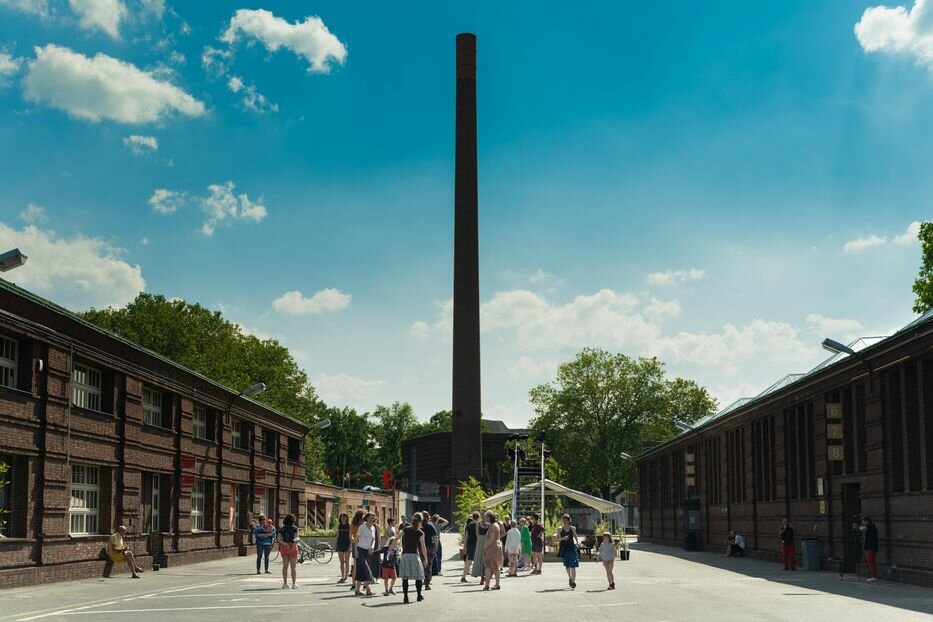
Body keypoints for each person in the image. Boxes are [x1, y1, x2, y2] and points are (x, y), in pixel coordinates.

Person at [399, 514, 430, 603]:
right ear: (420, 521)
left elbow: (396, 538)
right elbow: (423, 547)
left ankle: (405, 597)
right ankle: (419, 595)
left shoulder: (405, 529)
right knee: (418, 576)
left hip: (405, 555)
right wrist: (425, 559)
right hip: (414, 555)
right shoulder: (420, 532)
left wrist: (390, 548)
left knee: (405, 577)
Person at [354, 512, 376, 596]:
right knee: (365, 569)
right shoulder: (362, 527)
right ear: (366, 518)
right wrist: (356, 551)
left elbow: (373, 540)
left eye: (373, 518)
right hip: (360, 549)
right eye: (370, 517)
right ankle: (368, 590)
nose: (372, 519)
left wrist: (371, 548)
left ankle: (357, 590)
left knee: (361, 570)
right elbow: (356, 540)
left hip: (368, 551)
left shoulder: (373, 528)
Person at [482, 511, 503, 591]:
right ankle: (497, 584)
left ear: (490, 517)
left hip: (492, 548)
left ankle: (487, 585)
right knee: (496, 566)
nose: (485, 518)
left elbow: (491, 538)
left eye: (486, 517)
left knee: (488, 566)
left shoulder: (492, 526)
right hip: (497, 547)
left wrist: (485, 546)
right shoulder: (496, 525)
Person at [558, 513, 580, 589]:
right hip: (564, 549)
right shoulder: (560, 529)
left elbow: (575, 535)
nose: (564, 521)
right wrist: (563, 538)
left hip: (572, 548)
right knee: (567, 565)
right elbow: (557, 539)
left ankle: (573, 581)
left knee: (573, 564)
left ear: (569, 520)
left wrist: (577, 542)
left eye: (566, 520)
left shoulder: (573, 528)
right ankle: (570, 577)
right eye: (563, 520)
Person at [279, 513, 300, 589]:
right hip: (293, 547)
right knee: (293, 567)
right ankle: (294, 584)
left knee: (285, 566)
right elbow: (297, 539)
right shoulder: (295, 528)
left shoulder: (282, 529)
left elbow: (279, 540)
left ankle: (285, 583)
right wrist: (293, 547)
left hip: (284, 547)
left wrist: (285, 544)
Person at [421, 511, 439, 589]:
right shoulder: (430, 526)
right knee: (428, 565)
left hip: (420, 547)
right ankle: (427, 583)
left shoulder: (419, 526)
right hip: (430, 547)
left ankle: (422, 580)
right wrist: (436, 547)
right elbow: (435, 537)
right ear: (428, 517)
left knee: (421, 565)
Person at [348, 509, 364, 591]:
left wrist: (354, 542)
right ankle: (365, 584)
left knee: (355, 565)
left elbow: (350, 536)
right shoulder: (363, 525)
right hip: (362, 544)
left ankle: (353, 584)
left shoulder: (353, 524)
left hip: (355, 544)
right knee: (364, 564)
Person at [860, 516, 880, 582]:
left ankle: (874, 576)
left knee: (870, 561)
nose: (862, 523)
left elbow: (863, 529)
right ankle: (873, 575)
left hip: (870, 547)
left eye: (863, 521)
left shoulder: (870, 526)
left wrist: (860, 529)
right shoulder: (871, 526)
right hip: (871, 546)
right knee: (871, 561)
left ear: (866, 521)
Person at [462, 512, 480, 582]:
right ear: (478, 517)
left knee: (467, 561)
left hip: (469, 544)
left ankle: (464, 576)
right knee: (470, 561)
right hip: (474, 544)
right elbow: (477, 535)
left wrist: (464, 546)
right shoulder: (477, 524)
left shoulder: (469, 525)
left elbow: (466, 536)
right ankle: (463, 577)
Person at [471, 512, 488, 583]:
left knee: (487, 559)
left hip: (488, 541)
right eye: (482, 515)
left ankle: (487, 576)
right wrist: (479, 543)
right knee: (480, 558)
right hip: (481, 541)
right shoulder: (478, 523)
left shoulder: (489, 524)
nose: (483, 516)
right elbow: (477, 534)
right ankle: (482, 577)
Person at [336, 512, 351, 583]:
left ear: (347, 518)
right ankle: (342, 576)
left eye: (345, 517)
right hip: (340, 544)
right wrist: (336, 544)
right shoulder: (339, 526)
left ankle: (346, 576)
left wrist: (350, 545)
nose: (343, 518)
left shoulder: (349, 526)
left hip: (347, 544)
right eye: (342, 517)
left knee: (347, 561)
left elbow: (350, 536)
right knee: (342, 562)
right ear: (340, 518)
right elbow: (337, 535)